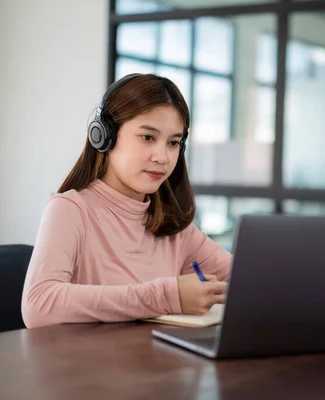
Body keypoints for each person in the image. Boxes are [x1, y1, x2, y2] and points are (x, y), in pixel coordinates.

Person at [21, 73, 232, 329]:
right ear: (105, 136)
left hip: (157, 365)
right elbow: (38, 304)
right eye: (147, 138)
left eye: (174, 143)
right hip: (88, 365)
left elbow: (248, 278)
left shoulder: (175, 227)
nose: (162, 157)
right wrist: (167, 296)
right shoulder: (71, 210)